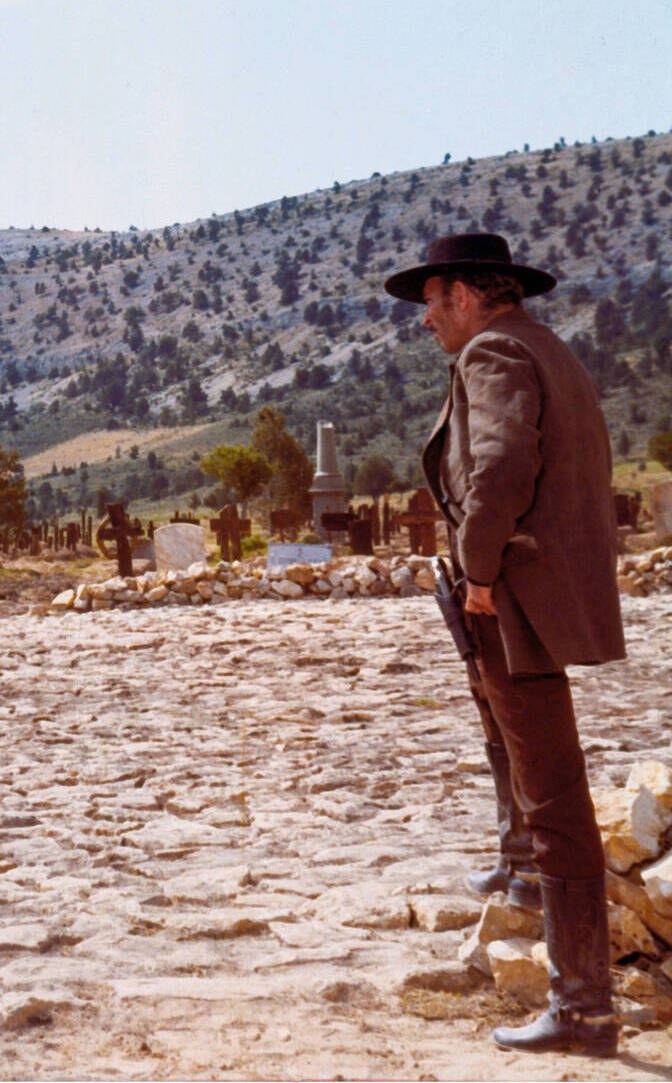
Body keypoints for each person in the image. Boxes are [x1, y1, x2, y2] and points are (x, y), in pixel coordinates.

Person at [386, 233, 627, 1056]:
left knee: (554, 793)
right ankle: (539, 909)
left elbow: (497, 467)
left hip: (515, 600)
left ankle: (584, 1007)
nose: (425, 319)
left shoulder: (492, 352)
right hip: (540, 595)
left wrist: (479, 570)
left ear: (463, 294)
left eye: (431, 299)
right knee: (537, 774)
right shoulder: (546, 346)